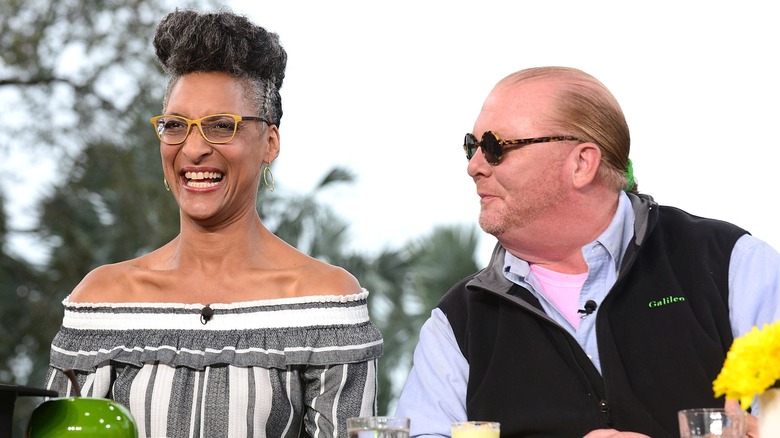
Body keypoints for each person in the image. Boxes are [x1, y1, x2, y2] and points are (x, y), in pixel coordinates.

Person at [44, 9, 382, 438]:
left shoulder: (325, 305)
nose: (195, 148)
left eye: (222, 126)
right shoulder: (100, 304)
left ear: (270, 142)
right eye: (176, 126)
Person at [395, 66, 780, 438]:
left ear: (582, 163)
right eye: (471, 146)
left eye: (496, 147)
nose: (475, 166)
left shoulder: (734, 267)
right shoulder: (456, 323)